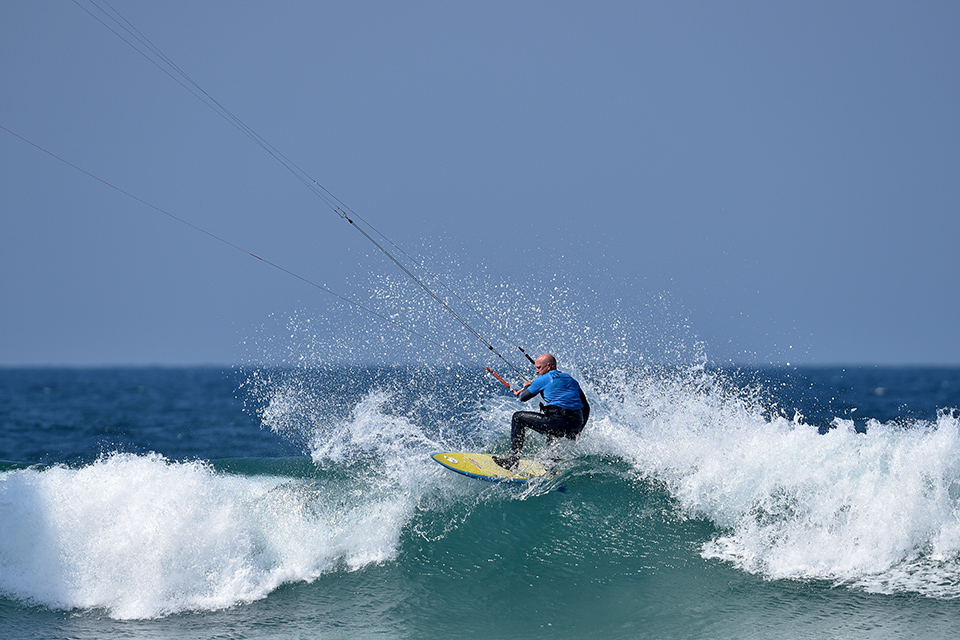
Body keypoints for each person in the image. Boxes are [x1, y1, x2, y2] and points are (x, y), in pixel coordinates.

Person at [495, 354, 590, 469]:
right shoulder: (571, 379)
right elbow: (586, 407)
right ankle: (552, 462)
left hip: (558, 422)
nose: (536, 371)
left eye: (539, 368)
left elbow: (522, 397)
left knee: (518, 417)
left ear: (549, 366)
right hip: (575, 425)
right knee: (550, 424)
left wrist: (526, 386)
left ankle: (513, 461)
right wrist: (579, 430)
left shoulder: (543, 379)